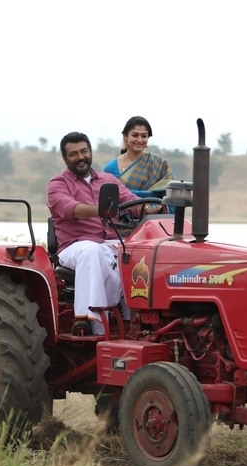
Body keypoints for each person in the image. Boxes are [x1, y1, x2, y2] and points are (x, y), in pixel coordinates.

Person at [47, 131, 162, 336]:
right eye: (73, 154)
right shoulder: (58, 184)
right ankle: (86, 319)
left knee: (139, 252)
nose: (80, 157)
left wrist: (150, 209)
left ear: (90, 152)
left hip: (108, 242)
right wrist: (102, 209)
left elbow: (130, 202)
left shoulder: (107, 180)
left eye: (84, 151)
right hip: (74, 246)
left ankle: (135, 319)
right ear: (65, 159)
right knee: (92, 251)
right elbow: (69, 208)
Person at [103, 116, 175, 199]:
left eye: (144, 136)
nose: (140, 140)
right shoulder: (109, 169)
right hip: (122, 211)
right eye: (135, 135)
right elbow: (106, 200)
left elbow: (171, 194)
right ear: (125, 137)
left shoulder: (159, 164)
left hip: (156, 211)